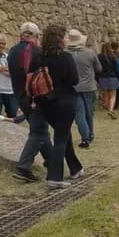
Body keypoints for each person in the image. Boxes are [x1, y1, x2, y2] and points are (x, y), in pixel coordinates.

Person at [29, 24, 83, 189]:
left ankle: (75, 168)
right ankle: (54, 176)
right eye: (65, 36)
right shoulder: (65, 57)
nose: (67, 39)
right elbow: (74, 80)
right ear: (59, 39)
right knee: (60, 138)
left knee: (64, 134)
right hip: (64, 101)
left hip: (45, 102)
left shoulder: (38, 58)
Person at [7, 22, 51, 182]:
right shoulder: (34, 50)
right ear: (34, 35)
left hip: (19, 95)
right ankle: (23, 168)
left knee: (41, 129)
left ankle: (52, 162)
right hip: (34, 97)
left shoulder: (12, 50)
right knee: (38, 131)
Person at [67, 29, 100, 148]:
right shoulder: (90, 53)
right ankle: (90, 134)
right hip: (89, 86)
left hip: (74, 88)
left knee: (79, 114)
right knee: (89, 112)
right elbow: (98, 68)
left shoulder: (66, 54)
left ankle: (85, 137)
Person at [97, 42, 119, 119]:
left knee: (106, 95)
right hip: (112, 77)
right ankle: (111, 110)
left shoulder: (99, 56)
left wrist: (97, 78)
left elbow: (97, 68)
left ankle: (108, 109)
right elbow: (118, 68)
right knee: (113, 96)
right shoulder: (113, 56)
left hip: (102, 78)